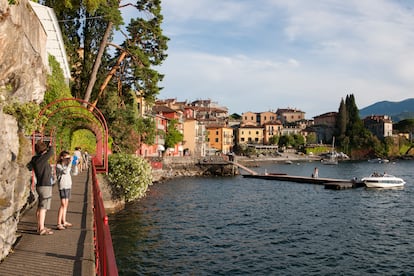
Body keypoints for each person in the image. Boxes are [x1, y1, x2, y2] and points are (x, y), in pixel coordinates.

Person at [27, 140, 54, 235]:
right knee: (43, 208)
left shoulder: (35, 159)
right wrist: (50, 144)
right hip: (45, 186)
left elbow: (29, 167)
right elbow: (51, 152)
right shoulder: (42, 158)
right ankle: (41, 228)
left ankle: (39, 227)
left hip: (39, 186)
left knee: (39, 207)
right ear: (43, 150)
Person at [55, 151, 73, 230]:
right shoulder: (58, 165)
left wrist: (73, 163)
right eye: (66, 158)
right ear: (62, 157)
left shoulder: (67, 165)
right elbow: (65, 171)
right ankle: (59, 223)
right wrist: (70, 163)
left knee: (66, 204)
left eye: (69, 158)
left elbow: (73, 172)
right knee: (63, 204)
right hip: (62, 186)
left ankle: (64, 221)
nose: (68, 159)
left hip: (68, 185)